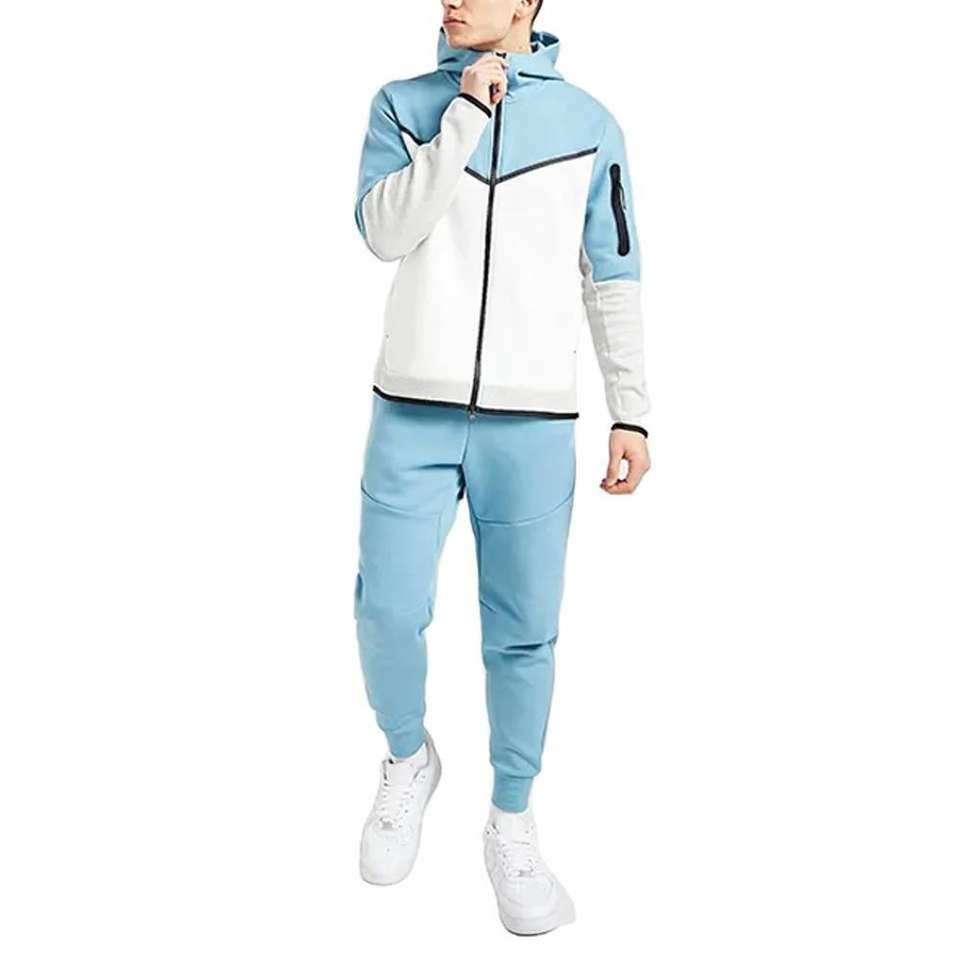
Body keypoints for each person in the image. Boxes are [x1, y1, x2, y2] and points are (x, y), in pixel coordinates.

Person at [351, 0, 650, 935]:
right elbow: (384, 232)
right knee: (386, 608)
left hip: (534, 424)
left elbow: (613, 272)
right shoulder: (402, 103)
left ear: (526, 3)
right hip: (411, 409)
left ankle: (512, 820)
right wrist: (463, 117)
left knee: (524, 637)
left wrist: (631, 410)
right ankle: (408, 757)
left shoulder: (590, 125)